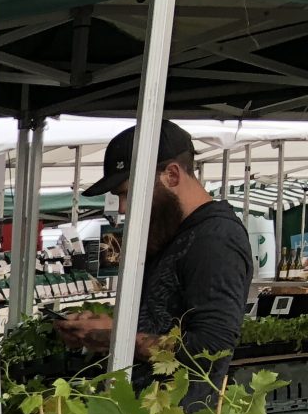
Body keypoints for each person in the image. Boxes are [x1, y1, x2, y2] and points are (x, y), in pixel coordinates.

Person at [56, 120, 254, 377]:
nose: (124, 208)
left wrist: (114, 337)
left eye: (129, 193)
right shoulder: (170, 230)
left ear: (171, 175)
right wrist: (95, 329)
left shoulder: (215, 239)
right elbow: (158, 320)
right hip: (141, 412)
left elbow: (211, 350)